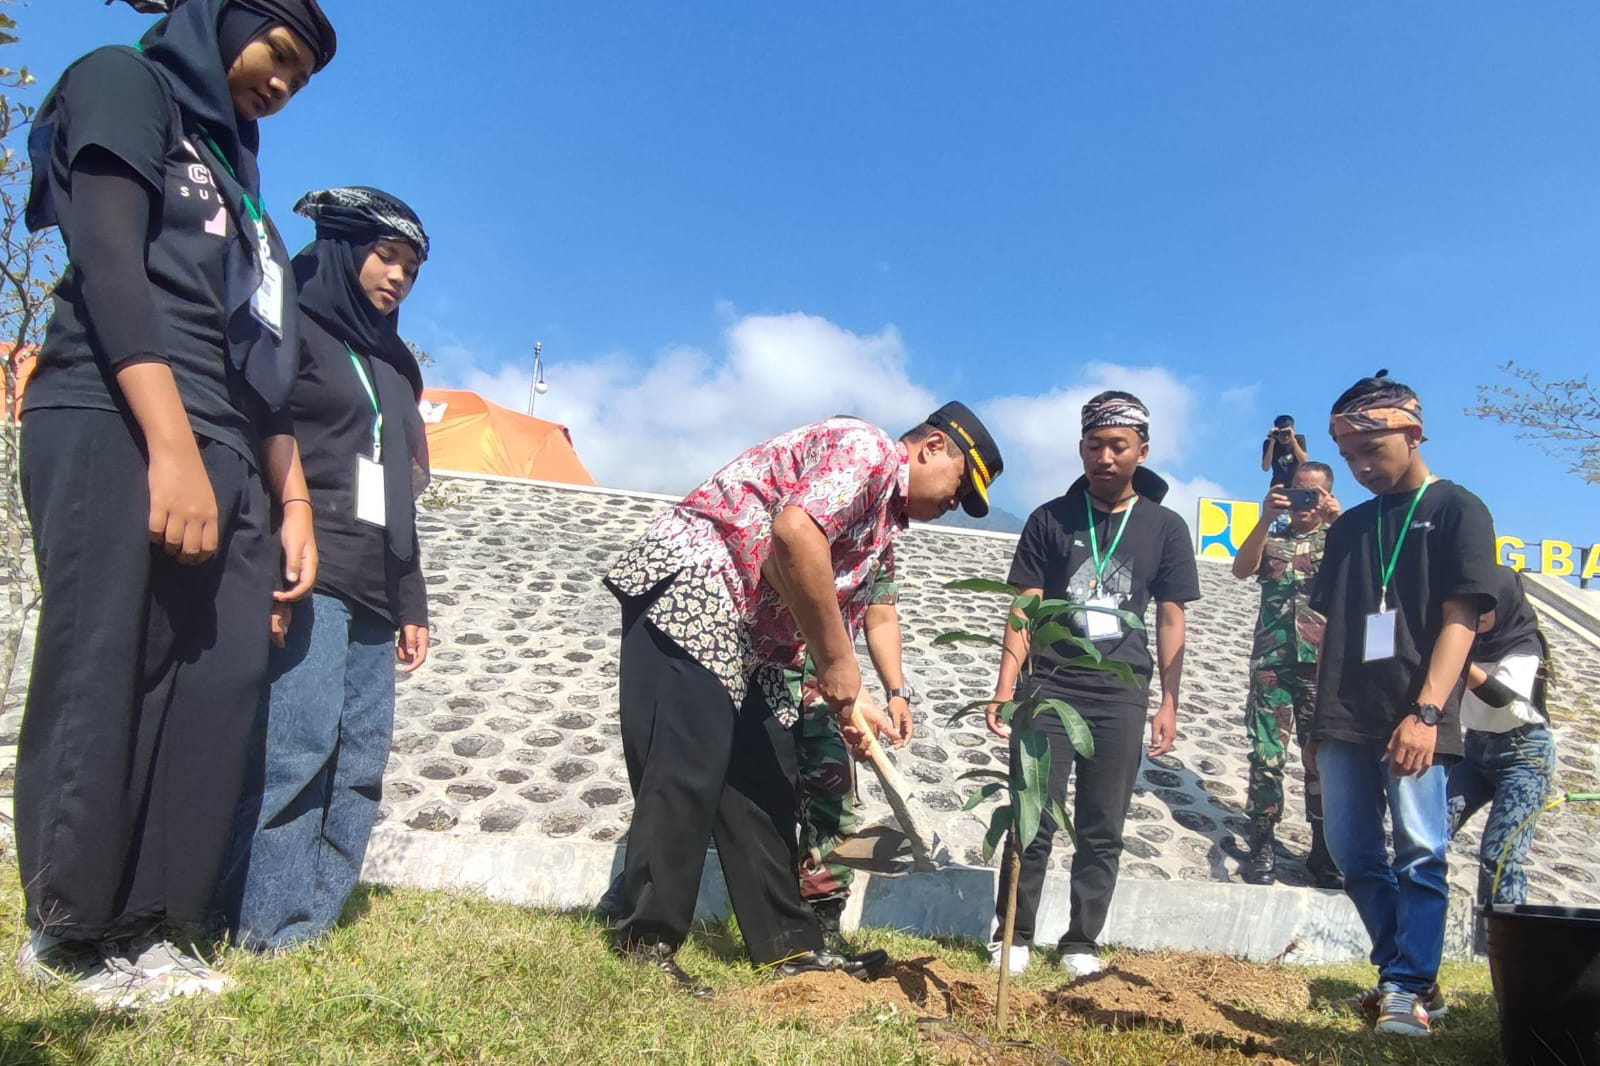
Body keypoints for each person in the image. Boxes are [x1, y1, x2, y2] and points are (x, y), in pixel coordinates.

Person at [16, 0, 335, 1007]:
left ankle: (155, 926)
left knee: (218, 681)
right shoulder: (124, 81)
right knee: (108, 659)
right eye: (276, 53)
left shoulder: (244, 190)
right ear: (220, 18)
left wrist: (293, 502)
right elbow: (110, 262)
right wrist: (168, 445)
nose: (280, 84)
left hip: (232, 449)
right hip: (118, 412)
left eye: (301, 77)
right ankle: (71, 931)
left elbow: (261, 358)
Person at [602, 403, 1003, 996]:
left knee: (768, 779)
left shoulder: (880, 535)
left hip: (755, 639)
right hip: (699, 589)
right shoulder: (866, 449)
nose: (953, 504)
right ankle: (644, 941)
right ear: (932, 448)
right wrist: (840, 666)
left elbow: (825, 618)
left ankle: (789, 947)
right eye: (957, 487)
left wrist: (855, 699)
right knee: (687, 767)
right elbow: (793, 534)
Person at [226, 187, 433, 951]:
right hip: (310, 573)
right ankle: (262, 921)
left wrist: (413, 600)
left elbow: (404, 494)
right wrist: (264, 561)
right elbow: (260, 438)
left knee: (360, 762)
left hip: (378, 589)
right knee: (298, 750)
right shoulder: (296, 330)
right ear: (345, 251)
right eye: (386, 258)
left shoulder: (396, 366)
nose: (397, 279)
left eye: (411, 269)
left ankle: (312, 920)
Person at [985, 391, 1199, 979]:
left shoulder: (1165, 528)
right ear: (1080, 447)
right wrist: (1005, 685)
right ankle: (1013, 934)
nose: (1104, 457)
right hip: (1048, 689)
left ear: (1142, 451)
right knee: (1033, 813)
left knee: (1103, 825)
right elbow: (1023, 607)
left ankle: (1081, 939)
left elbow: (1172, 617)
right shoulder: (1049, 519)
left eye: (1118, 446)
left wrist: (1170, 702)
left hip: (1121, 695)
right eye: (1094, 445)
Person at [1308, 371, 1497, 1038]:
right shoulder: (1352, 526)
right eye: (1348, 453)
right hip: (1344, 713)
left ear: (1412, 431)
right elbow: (1332, 621)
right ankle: (1408, 974)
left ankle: (1407, 989)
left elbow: (1461, 618)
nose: (1359, 467)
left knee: (1420, 850)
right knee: (1352, 851)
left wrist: (1425, 712)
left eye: (1371, 449)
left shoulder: (1457, 510)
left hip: (1415, 711)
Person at [1228, 461, 1343, 888]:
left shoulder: (1340, 542)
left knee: (1322, 763)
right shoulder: (1273, 541)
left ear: (1328, 495)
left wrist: (1340, 521)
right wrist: (1264, 518)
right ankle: (1262, 844)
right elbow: (1241, 569)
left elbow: (1373, 565)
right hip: (1272, 667)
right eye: (1298, 492)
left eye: (1313, 494)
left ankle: (1323, 850)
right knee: (1266, 757)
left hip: (1322, 670)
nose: (1304, 503)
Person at [797, 564, 911, 950]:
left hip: (828, 694)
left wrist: (896, 691)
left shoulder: (879, 541)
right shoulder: (817, 514)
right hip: (767, 676)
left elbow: (880, 616)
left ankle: (821, 923)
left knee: (833, 804)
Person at [1447, 565, 1556, 951]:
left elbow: (1504, 701)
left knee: (1500, 854)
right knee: (1430, 831)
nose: (1475, 619)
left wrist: (1457, 662)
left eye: (1483, 610)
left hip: (1524, 754)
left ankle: (1499, 950)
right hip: (1475, 750)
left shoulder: (1526, 645)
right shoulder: (1464, 640)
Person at [1262, 415, 1308, 489]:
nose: (1285, 437)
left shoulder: (1298, 440)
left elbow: (1304, 463)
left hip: (1297, 484)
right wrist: (1272, 441)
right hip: (1278, 484)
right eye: (1282, 433)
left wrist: (1293, 440)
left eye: (1287, 433)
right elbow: (1265, 467)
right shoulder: (1269, 443)